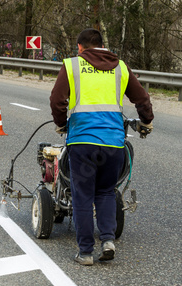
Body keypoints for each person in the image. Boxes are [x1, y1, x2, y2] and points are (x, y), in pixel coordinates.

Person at [49, 28, 154, 265]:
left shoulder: (72, 65)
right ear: (102, 46)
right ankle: (107, 240)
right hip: (113, 143)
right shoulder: (121, 67)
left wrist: (61, 124)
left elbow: (57, 100)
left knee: (83, 195)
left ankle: (85, 252)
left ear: (80, 47)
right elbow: (142, 98)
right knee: (106, 191)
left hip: (83, 143)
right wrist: (146, 121)